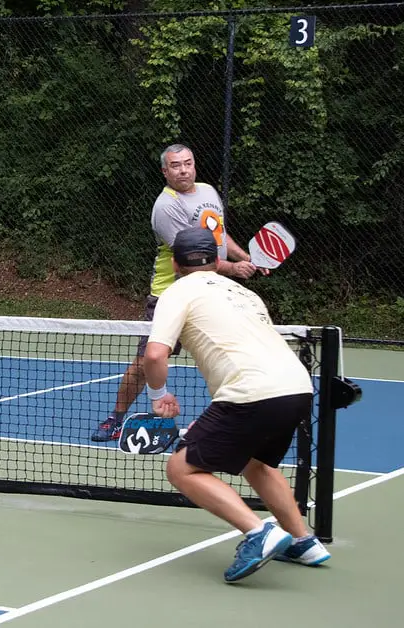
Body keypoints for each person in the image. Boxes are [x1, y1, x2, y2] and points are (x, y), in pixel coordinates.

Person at [144, 227, 330, 582]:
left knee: (182, 470)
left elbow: (155, 354)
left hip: (250, 391)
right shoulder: (245, 294)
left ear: (174, 263)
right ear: (217, 260)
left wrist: (158, 395)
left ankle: (259, 533)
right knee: (255, 463)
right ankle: (304, 541)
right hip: (297, 386)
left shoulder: (177, 291)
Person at [90, 143, 259, 441]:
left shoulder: (207, 191)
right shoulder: (166, 207)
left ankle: (229, 421)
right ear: (164, 171)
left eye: (188, 163)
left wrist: (243, 257)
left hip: (210, 292)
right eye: (176, 165)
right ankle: (115, 418)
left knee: (226, 356)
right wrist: (234, 270)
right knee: (145, 363)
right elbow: (193, 257)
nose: (183, 170)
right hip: (171, 295)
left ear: (195, 164)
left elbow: (217, 234)